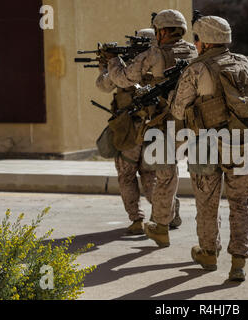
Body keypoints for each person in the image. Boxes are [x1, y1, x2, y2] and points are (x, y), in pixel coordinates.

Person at [169, 15, 248, 281]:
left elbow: (177, 108)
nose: (194, 44)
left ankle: (208, 253)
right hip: (241, 141)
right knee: (240, 203)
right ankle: (238, 262)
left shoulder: (196, 69)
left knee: (207, 202)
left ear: (205, 41)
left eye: (196, 39)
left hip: (205, 144)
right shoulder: (243, 62)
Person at [107, 9, 198, 247]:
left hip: (164, 124)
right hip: (190, 124)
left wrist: (111, 59)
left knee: (164, 175)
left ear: (164, 31)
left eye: (158, 30)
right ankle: (177, 224)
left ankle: (161, 224)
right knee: (175, 173)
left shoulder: (154, 54)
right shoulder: (193, 50)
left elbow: (123, 79)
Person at [95, 28, 157, 235]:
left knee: (127, 174)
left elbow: (104, 84)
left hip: (129, 129)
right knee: (153, 174)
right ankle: (164, 217)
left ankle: (137, 219)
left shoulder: (130, 67)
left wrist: (106, 65)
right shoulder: (165, 62)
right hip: (156, 127)